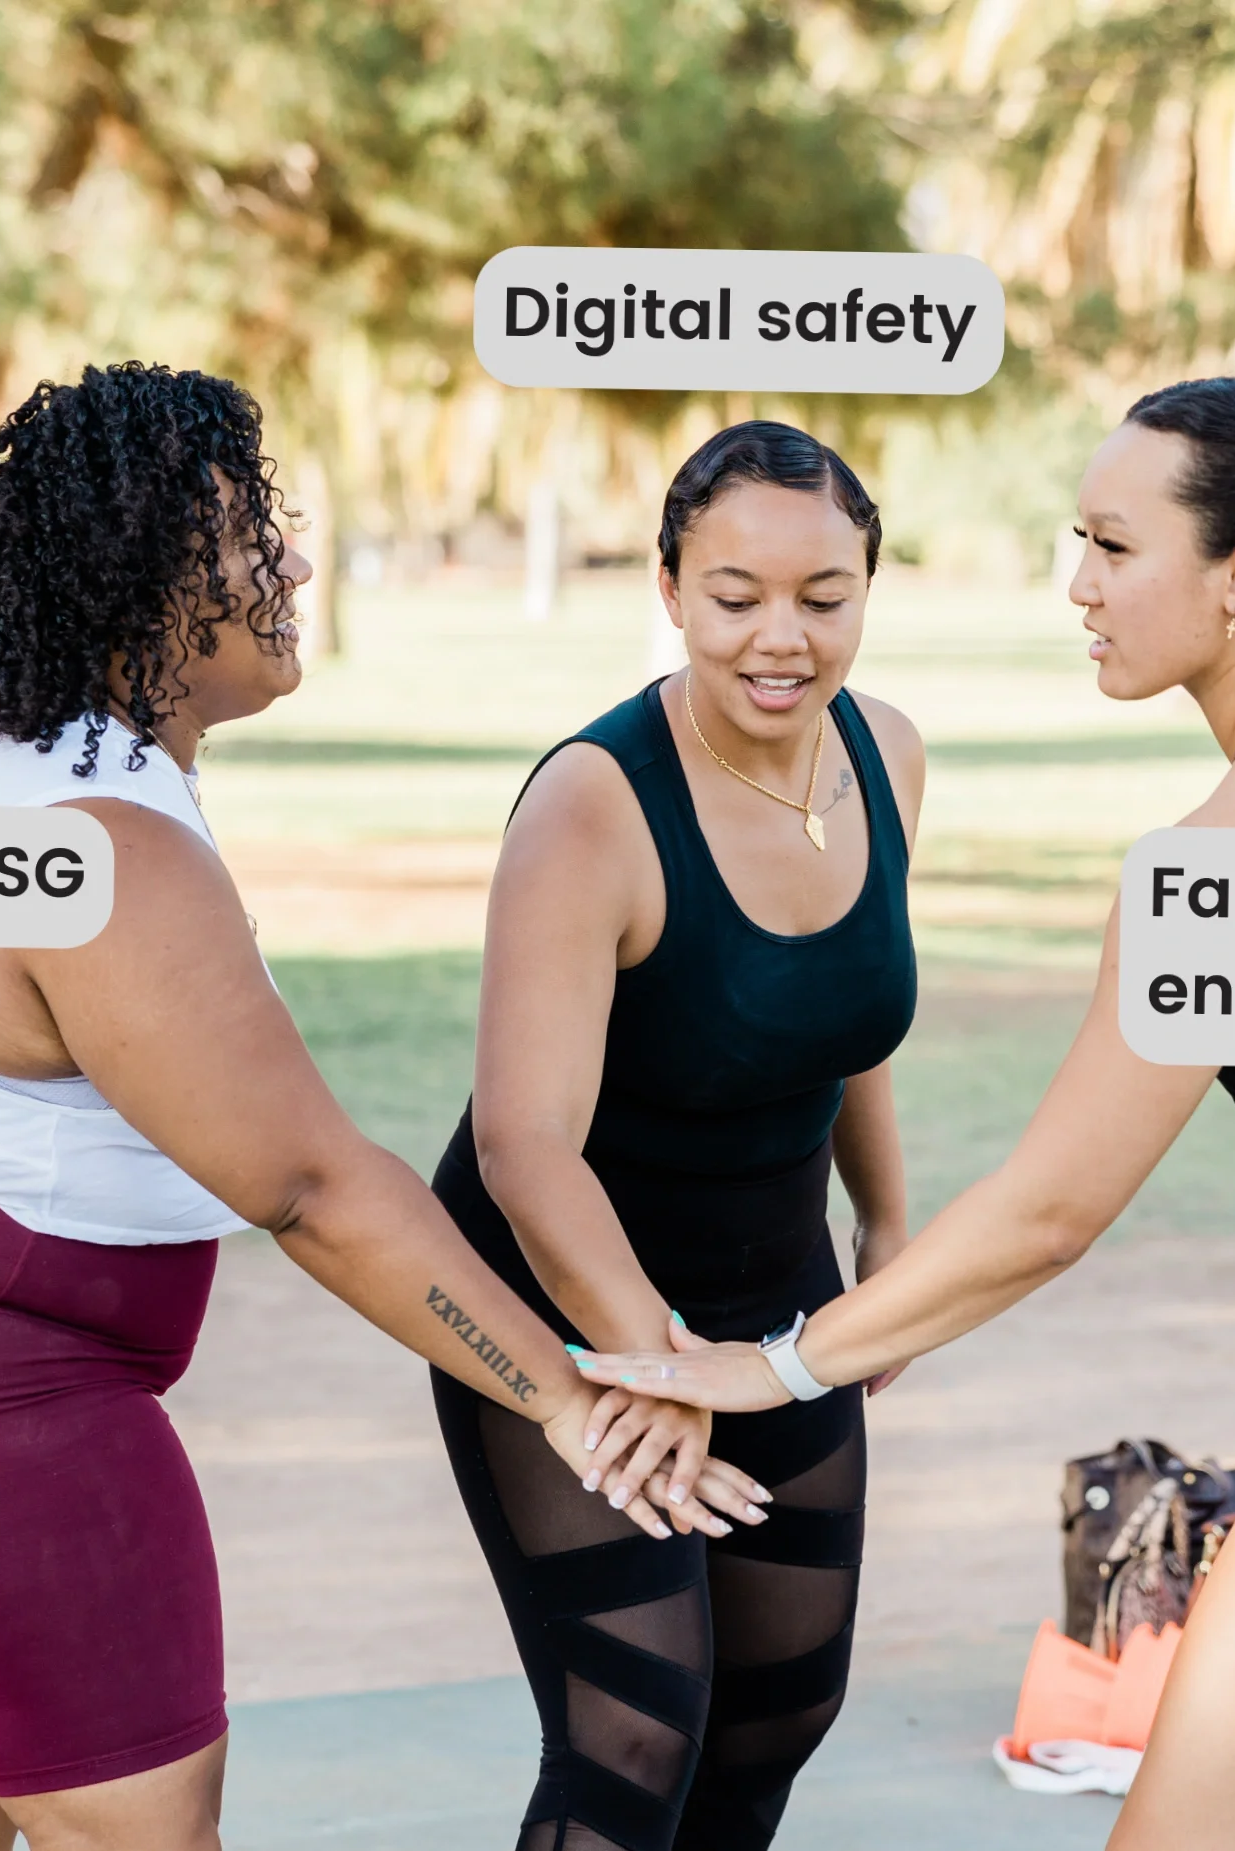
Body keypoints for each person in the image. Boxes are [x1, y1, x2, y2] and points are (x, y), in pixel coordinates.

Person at [570, 378, 1235, 1850]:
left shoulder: (1214, 863)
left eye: (1110, 546)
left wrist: (777, 1367)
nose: (1076, 585)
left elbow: (1047, 1213)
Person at [0, 363, 759, 1851]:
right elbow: (313, 1191)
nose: (294, 563)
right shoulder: (105, 853)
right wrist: (570, 1395)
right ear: (141, 581)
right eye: (252, 541)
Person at [428, 420, 923, 1851]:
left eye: (824, 597)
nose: (783, 637)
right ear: (666, 587)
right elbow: (525, 1148)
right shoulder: (593, 803)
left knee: (780, 1706)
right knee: (632, 1728)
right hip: (567, 1300)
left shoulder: (884, 754)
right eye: (735, 595)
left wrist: (884, 1228)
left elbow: (845, 1019)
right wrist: (658, 1367)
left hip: (774, 1297)